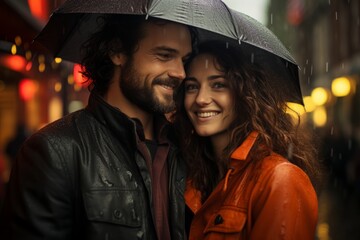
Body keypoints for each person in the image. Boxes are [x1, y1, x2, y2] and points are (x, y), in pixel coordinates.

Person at [0, 14, 193, 240]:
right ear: (117, 52)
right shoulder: (55, 151)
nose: (180, 73)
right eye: (164, 55)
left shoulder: (187, 148)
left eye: (185, 60)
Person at [173, 41, 322, 240]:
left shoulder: (279, 179)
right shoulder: (192, 173)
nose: (201, 98)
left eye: (218, 85)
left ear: (245, 94)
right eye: (192, 87)